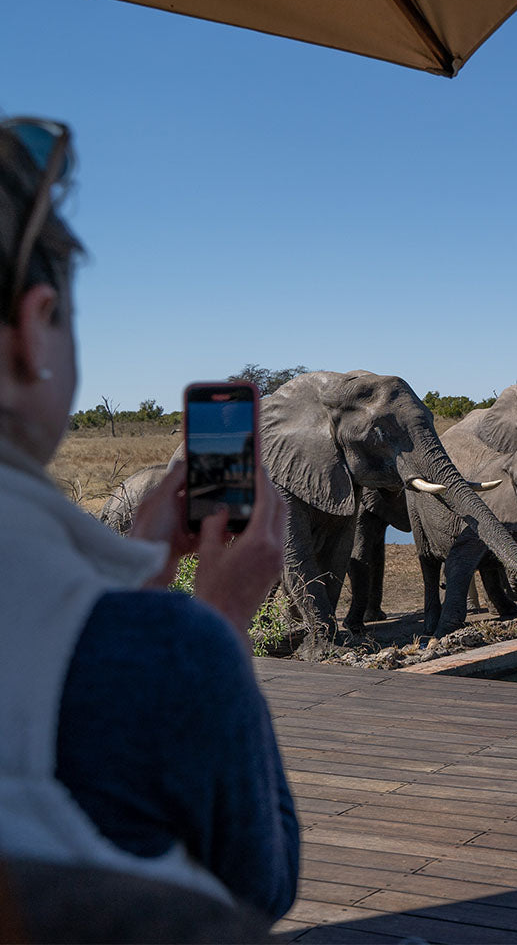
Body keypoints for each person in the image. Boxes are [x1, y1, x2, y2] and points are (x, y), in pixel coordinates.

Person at [0, 116, 299, 927]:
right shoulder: (168, 654)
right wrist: (221, 625)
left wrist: (135, 575)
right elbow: (262, 886)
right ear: (35, 328)